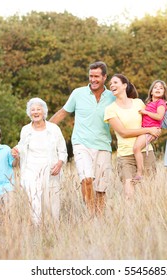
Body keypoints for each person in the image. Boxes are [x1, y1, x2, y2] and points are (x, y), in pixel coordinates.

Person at [49, 61, 115, 217]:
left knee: (100, 188)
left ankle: (99, 218)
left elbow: (128, 104)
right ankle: (90, 214)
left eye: (97, 76)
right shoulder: (78, 93)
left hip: (103, 145)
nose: (93, 79)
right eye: (91, 76)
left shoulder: (112, 96)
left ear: (105, 77)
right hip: (81, 143)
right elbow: (62, 113)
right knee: (86, 179)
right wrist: (43, 129)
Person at [12, 97, 67, 226]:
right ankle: (37, 226)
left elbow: (63, 151)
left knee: (51, 201)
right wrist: (15, 150)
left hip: (51, 169)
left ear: (44, 112)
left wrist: (59, 164)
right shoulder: (26, 129)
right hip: (31, 169)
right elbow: (22, 145)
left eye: (38, 109)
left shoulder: (53, 129)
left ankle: (53, 226)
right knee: (34, 197)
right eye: (32, 110)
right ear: (29, 113)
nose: (35, 112)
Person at [104, 74, 160, 199]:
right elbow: (123, 132)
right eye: (110, 84)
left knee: (149, 193)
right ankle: (129, 218)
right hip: (125, 156)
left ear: (124, 85)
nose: (112, 85)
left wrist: (154, 132)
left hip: (146, 152)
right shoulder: (110, 109)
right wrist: (148, 130)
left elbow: (150, 122)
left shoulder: (138, 103)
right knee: (129, 195)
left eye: (115, 82)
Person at [133, 80, 167, 181]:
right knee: (137, 148)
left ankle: (140, 172)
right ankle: (141, 170)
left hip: (152, 130)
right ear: (151, 91)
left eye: (161, 88)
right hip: (146, 129)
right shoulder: (149, 103)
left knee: (136, 148)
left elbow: (159, 116)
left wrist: (146, 112)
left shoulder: (161, 103)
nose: (158, 89)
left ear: (164, 92)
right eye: (156, 87)